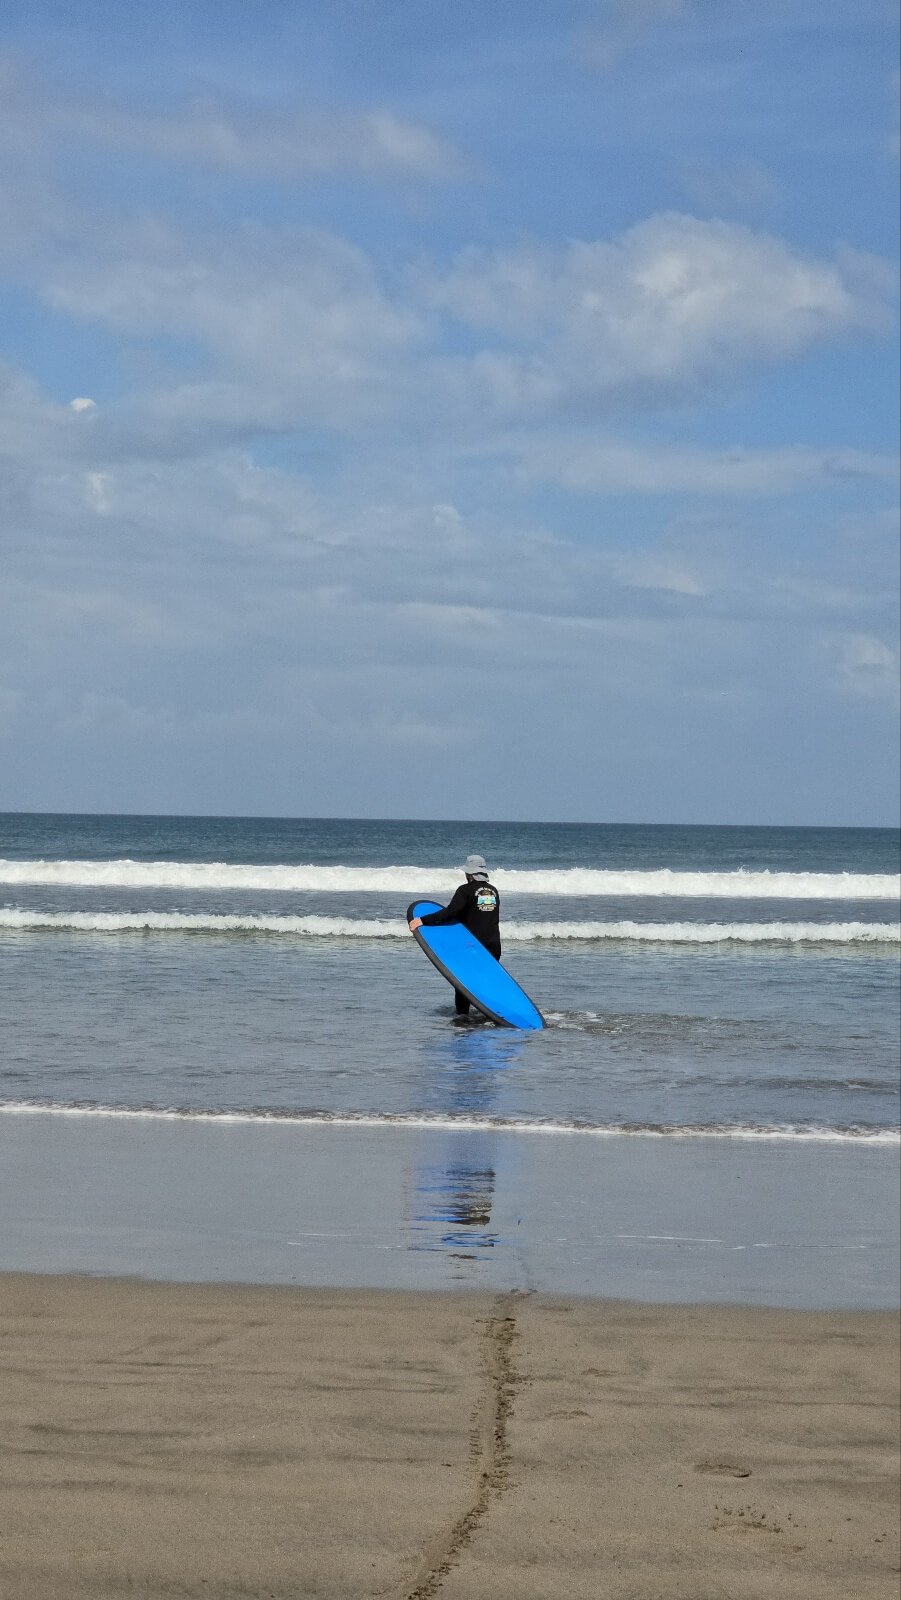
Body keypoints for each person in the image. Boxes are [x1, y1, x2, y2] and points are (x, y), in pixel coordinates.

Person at [408, 854, 501, 1016]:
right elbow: (480, 915)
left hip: (473, 946)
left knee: (463, 984)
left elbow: (450, 912)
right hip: (493, 945)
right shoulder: (493, 891)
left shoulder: (465, 890)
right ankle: (492, 1015)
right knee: (484, 983)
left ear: (470, 873)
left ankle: (462, 1018)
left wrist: (423, 920)